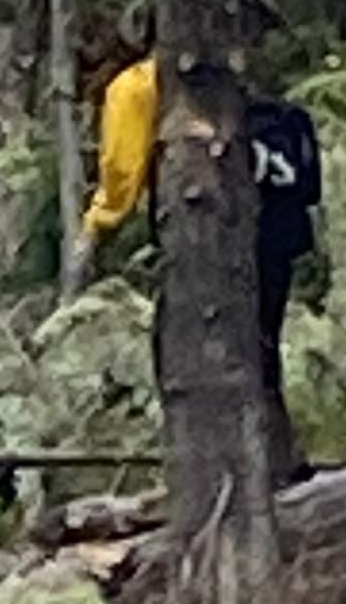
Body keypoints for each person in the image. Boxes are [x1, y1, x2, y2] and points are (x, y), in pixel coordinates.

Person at [77, 38, 323, 486]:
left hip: (207, 238)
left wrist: (98, 222)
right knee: (262, 349)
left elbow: (122, 171)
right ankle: (276, 462)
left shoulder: (135, 87)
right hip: (277, 235)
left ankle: (222, 474)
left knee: (189, 350)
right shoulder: (230, 82)